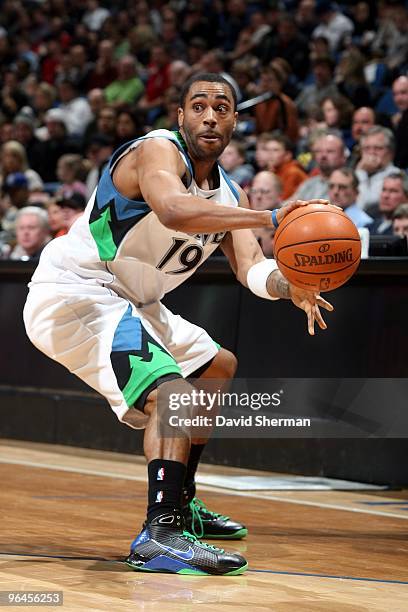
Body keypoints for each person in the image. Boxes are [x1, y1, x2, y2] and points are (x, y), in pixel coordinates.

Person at [23, 73, 333, 576]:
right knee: (172, 394)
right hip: (78, 290)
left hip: (134, 300)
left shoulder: (230, 193)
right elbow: (172, 210)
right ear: (181, 115)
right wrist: (269, 216)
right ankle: (159, 533)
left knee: (216, 368)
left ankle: (182, 502)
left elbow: (253, 271)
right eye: (200, 105)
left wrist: (288, 284)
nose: (211, 116)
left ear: (235, 120)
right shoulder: (156, 151)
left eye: (223, 107)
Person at [355, 126, 399, 210]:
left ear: (391, 152)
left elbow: (364, 206)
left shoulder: (396, 176)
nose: (372, 153)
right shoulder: (357, 173)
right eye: (367, 148)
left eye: (378, 148)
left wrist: (361, 172)